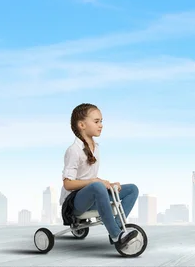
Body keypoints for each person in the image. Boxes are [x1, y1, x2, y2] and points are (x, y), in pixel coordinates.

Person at [59, 103, 139, 248]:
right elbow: (68, 184)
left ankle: (118, 227)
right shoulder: (74, 150)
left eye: (101, 121)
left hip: (93, 195)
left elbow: (93, 180)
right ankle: (116, 236)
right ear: (82, 125)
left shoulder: (96, 148)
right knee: (96, 185)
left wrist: (108, 185)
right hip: (74, 203)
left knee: (132, 189)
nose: (101, 125)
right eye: (96, 121)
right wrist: (96, 182)